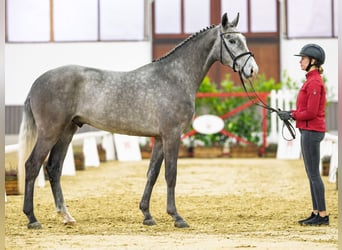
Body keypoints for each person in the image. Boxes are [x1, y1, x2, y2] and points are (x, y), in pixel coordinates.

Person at [278, 44, 329, 226]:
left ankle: (322, 215)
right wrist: (289, 112)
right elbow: (304, 109)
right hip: (308, 130)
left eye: (303, 58)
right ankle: (316, 212)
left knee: (314, 174)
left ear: (312, 61)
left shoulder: (314, 82)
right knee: (311, 174)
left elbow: (311, 112)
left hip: (312, 131)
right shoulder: (310, 80)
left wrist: (292, 115)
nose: (300, 61)